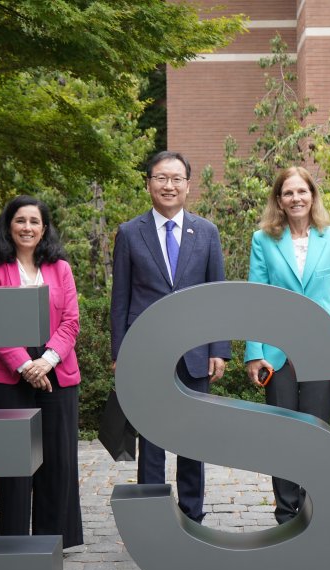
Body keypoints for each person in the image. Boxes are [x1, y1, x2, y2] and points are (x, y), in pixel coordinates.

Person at [110, 150, 230, 524]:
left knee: (193, 436)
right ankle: (152, 516)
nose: (169, 185)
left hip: (195, 352)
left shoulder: (206, 232)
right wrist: (120, 353)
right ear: (148, 183)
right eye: (161, 178)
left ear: (188, 186)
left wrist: (219, 350)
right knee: (151, 438)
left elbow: (217, 295)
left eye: (176, 179)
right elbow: (120, 298)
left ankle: (192, 514)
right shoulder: (130, 233)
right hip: (147, 353)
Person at [244, 166, 330, 525]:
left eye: (302, 191)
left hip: (322, 350)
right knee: (282, 436)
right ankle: (285, 513)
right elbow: (256, 301)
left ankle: (313, 512)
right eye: (288, 193)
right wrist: (254, 353)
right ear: (279, 200)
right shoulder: (263, 240)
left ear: (313, 196)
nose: (296, 198)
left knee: (316, 435)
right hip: (277, 354)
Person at [0, 195, 83, 547]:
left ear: (44, 228)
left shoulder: (60, 268)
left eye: (34, 221)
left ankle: (52, 540)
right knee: (13, 465)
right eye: (20, 220)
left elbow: (71, 321)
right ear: (8, 226)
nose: (27, 227)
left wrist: (47, 361)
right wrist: (25, 365)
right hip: (10, 376)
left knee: (57, 461)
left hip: (57, 371)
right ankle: (14, 541)